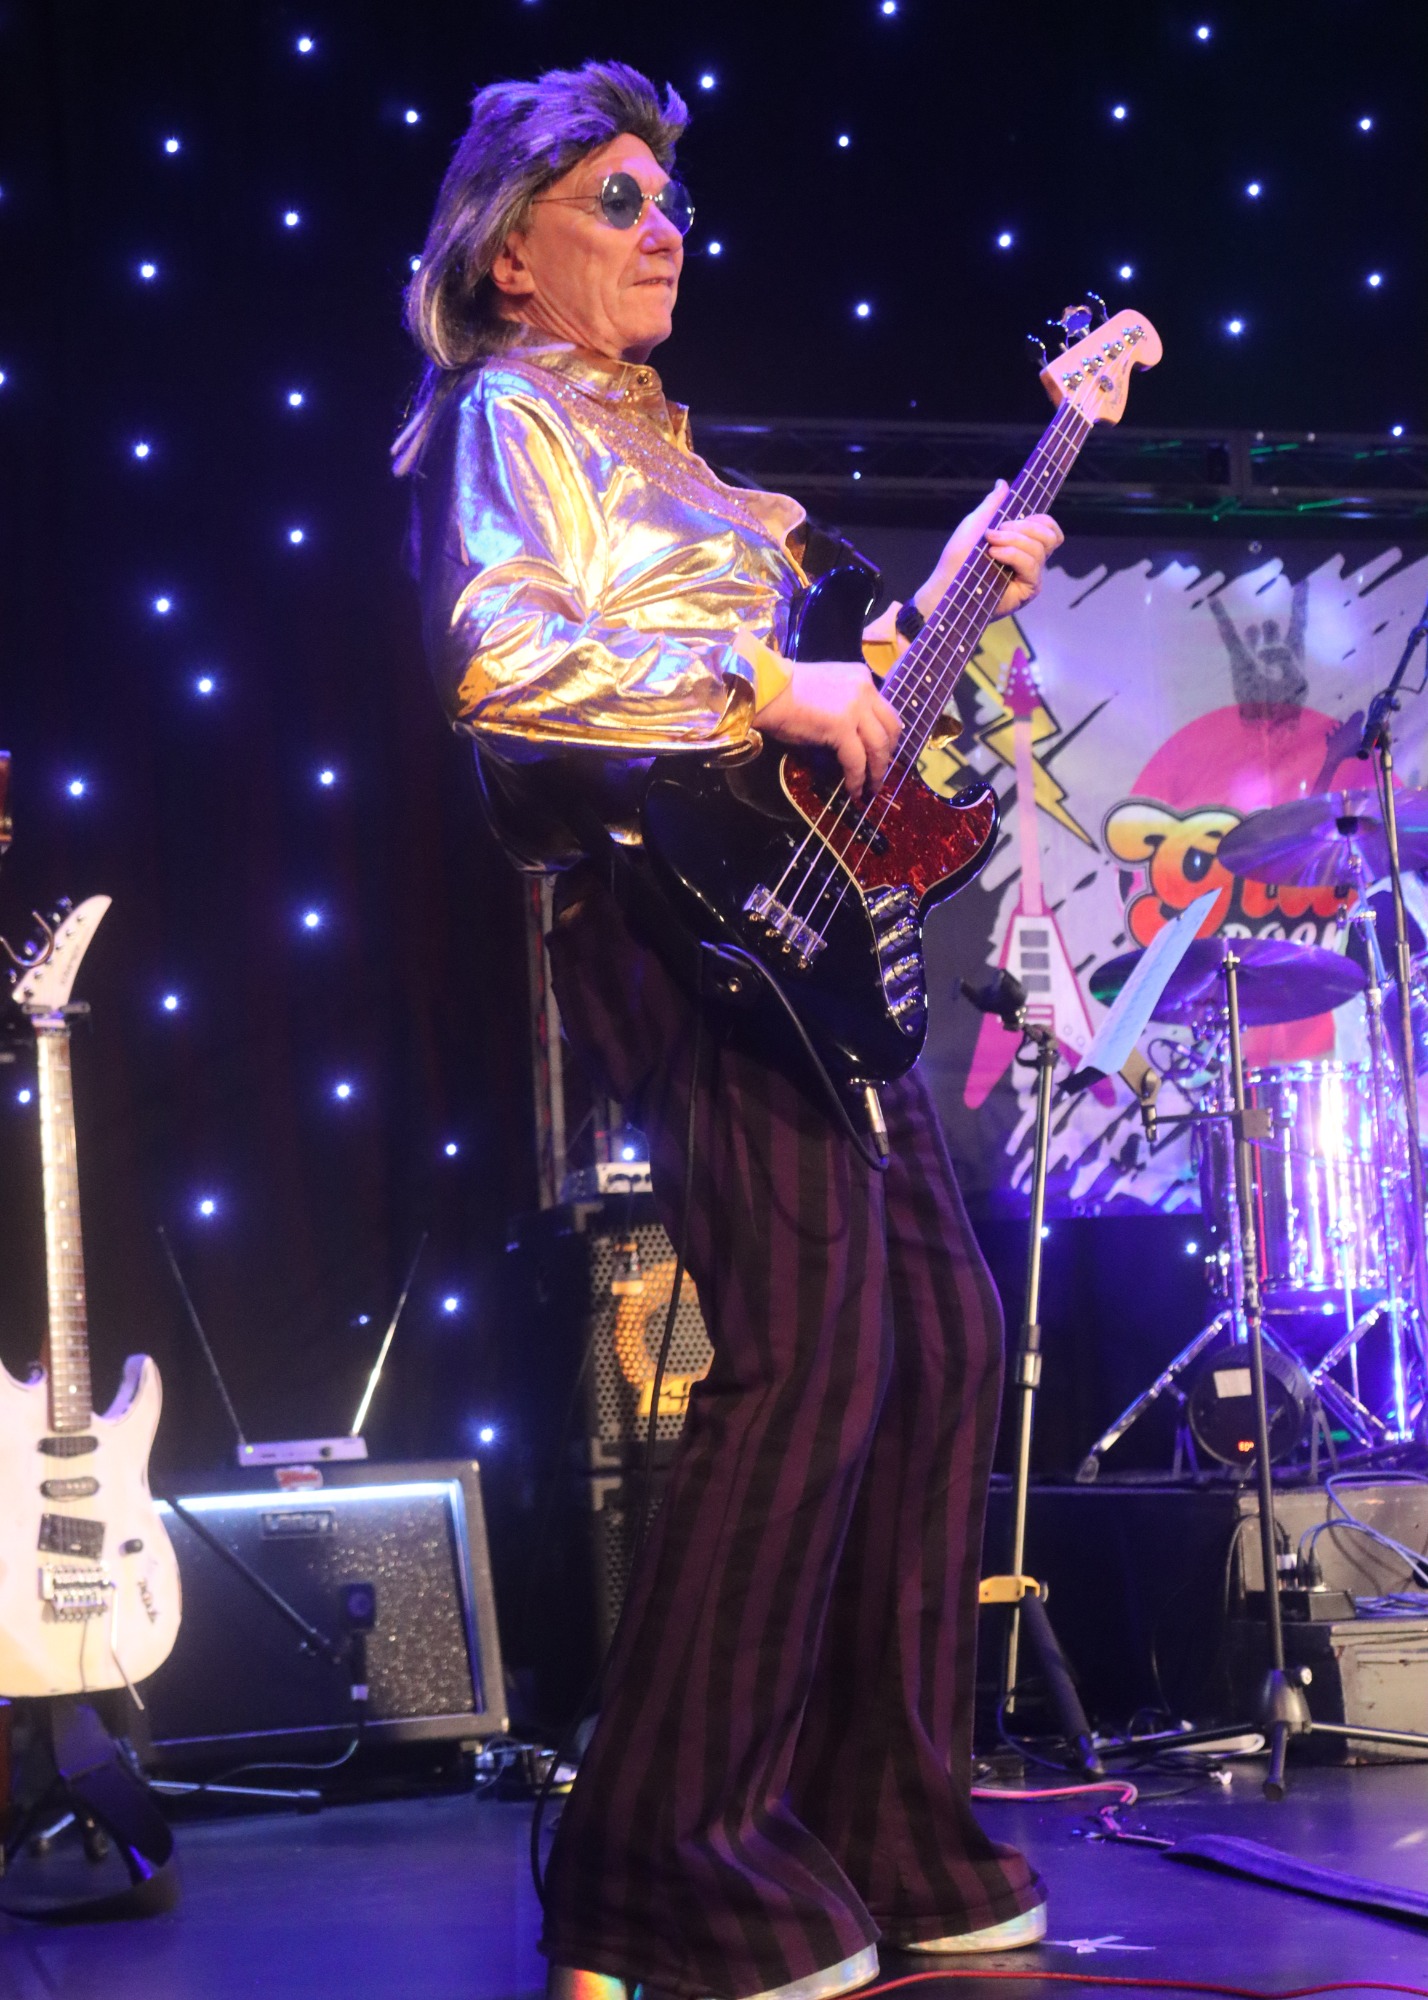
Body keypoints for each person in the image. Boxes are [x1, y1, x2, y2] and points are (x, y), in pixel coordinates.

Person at [397, 60, 1063, 2000]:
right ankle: (661, 1860)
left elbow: (850, 691)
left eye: (670, 198)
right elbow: (503, 659)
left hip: (803, 918)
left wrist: (949, 603)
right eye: (617, 198)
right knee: (812, 1351)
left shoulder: (700, 469)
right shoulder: (508, 415)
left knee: (942, 1339)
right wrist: (765, 684)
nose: (664, 226)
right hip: (663, 911)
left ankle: (878, 1813)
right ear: (510, 254)